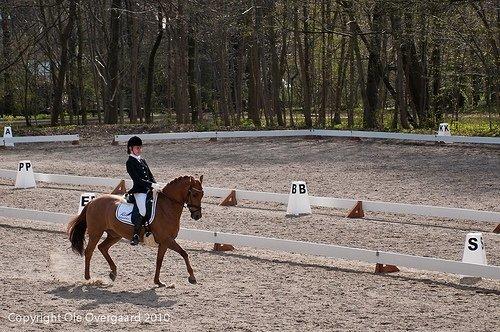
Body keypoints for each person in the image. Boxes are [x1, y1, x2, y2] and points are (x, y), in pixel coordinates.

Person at [126, 136, 160, 245]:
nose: (139, 150)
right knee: (143, 211)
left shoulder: (142, 160)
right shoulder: (130, 162)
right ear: (131, 148)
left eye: (140, 148)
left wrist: (155, 184)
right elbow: (138, 180)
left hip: (149, 189)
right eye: (137, 148)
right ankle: (135, 235)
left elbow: (150, 175)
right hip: (139, 190)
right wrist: (151, 185)